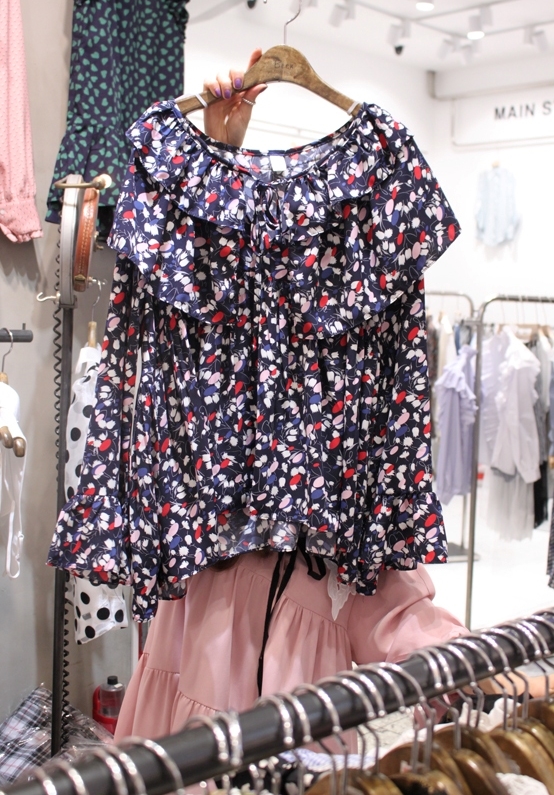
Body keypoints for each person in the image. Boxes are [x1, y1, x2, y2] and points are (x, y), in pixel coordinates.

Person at [114, 52, 469, 743]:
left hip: (295, 758)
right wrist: (218, 161)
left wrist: (495, 668)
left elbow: (416, 631)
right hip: (184, 745)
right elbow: (199, 293)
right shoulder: (206, 516)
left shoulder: (349, 544)